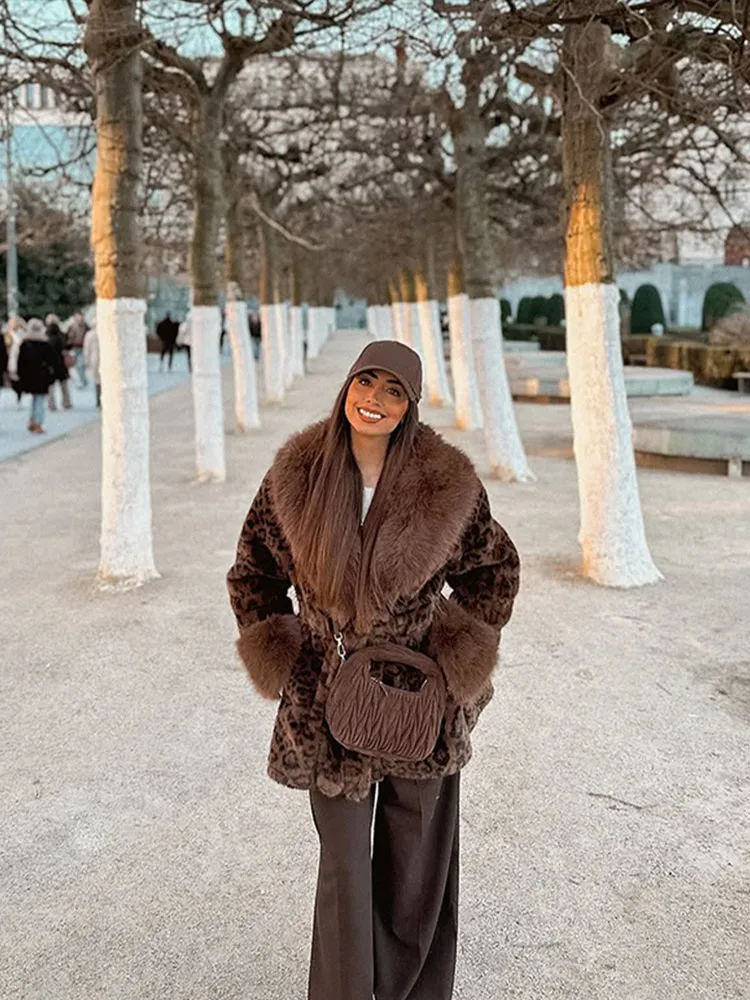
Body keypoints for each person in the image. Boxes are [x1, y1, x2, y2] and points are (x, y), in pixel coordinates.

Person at [226, 341, 520, 1000]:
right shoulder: (296, 477)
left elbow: (495, 568)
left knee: (415, 868)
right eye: (368, 382)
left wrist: (454, 664)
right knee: (344, 872)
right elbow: (252, 573)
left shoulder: (445, 482)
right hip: (326, 699)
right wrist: (285, 658)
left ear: (411, 404)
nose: (376, 400)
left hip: (419, 695)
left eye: (395, 390)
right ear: (347, 386)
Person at [16, 317, 59, 433]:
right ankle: (38, 423)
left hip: (29, 376)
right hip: (42, 376)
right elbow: (53, 361)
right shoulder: (44, 344)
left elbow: (20, 362)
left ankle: (31, 419)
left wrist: (21, 376)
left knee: (34, 399)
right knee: (40, 399)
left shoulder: (25, 344)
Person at [45, 313, 72, 410]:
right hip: (61, 363)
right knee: (64, 385)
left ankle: (51, 405)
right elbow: (67, 346)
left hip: (50, 364)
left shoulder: (45, 335)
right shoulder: (61, 335)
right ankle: (66, 403)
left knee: (50, 387)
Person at [67, 311, 90, 388]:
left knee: (81, 365)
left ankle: (83, 381)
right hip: (75, 348)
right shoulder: (72, 327)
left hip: (83, 347)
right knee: (78, 366)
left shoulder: (86, 326)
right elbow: (69, 337)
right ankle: (83, 380)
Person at [83, 324, 101, 408]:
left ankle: (99, 400)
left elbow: (87, 349)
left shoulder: (90, 334)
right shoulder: (105, 332)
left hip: (94, 358)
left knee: (97, 381)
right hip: (104, 358)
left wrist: (87, 361)